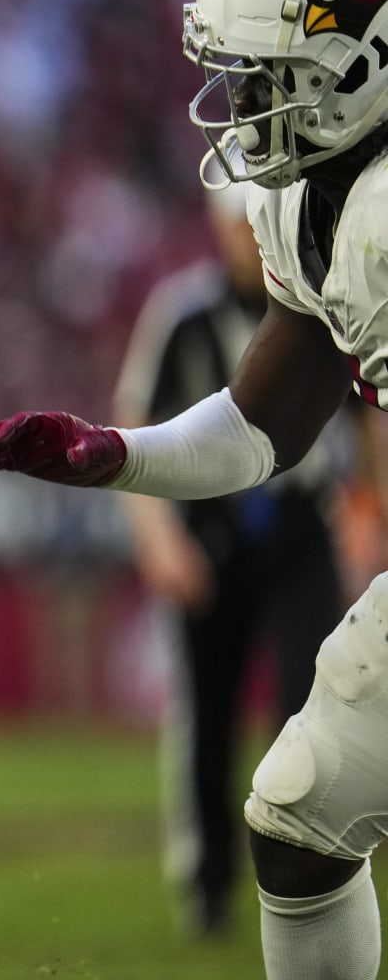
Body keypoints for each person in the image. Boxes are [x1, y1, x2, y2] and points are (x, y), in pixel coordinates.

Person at [0, 0, 388, 980]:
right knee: (297, 822)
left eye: (268, 80)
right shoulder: (315, 197)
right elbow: (264, 422)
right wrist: (117, 457)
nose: (242, 111)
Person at [114, 182, 348, 937]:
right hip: (210, 534)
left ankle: (309, 876)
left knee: (307, 709)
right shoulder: (182, 311)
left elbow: (369, 407)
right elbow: (136, 419)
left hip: (301, 526)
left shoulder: (325, 293)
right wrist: (160, 541)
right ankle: (208, 887)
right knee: (206, 718)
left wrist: (370, 512)